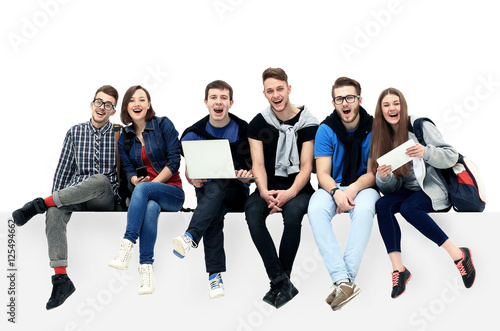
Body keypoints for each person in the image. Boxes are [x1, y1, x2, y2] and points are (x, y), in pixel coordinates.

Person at [11, 85, 121, 310]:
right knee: (54, 210)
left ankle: (38, 204)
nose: (102, 107)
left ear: (113, 111)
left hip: (104, 197)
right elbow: (63, 170)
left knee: (100, 180)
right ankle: (61, 279)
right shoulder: (74, 132)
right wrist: (57, 198)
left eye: (108, 104)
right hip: (75, 194)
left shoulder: (121, 133)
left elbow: (127, 169)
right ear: (92, 104)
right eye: (99, 102)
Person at [369, 87, 476, 299]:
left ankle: (458, 254)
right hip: (407, 191)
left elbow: (451, 156)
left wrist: (426, 152)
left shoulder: (419, 125)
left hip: (432, 190)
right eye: (387, 105)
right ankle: (399, 269)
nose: (392, 108)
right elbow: (389, 189)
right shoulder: (381, 137)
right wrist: (383, 176)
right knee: (382, 205)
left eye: (396, 103)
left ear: (403, 106)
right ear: (381, 111)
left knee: (409, 208)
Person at [244, 68, 319, 309]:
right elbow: (257, 164)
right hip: (268, 186)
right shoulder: (258, 123)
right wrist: (264, 191)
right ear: (264, 93)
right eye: (270, 91)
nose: (275, 95)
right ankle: (279, 280)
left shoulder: (308, 122)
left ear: (288, 88)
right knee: (253, 213)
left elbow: (307, 166)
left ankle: (280, 280)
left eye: (279, 89)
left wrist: (290, 194)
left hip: (298, 187)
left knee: (293, 214)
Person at [171, 80, 253, 299]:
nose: (219, 102)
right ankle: (215, 277)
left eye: (224, 98)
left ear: (231, 103)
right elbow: (189, 173)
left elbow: (255, 170)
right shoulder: (192, 133)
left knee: (219, 184)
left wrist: (247, 177)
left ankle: (190, 237)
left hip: (237, 193)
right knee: (214, 214)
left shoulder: (244, 129)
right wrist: (192, 179)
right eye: (214, 97)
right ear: (206, 102)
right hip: (208, 196)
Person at [307, 77, 380, 311]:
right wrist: (337, 192)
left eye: (350, 97)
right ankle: (343, 281)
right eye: (339, 99)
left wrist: (352, 189)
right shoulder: (325, 130)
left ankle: (343, 281)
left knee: (366, 209)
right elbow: (323, 174)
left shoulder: (374, 127)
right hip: (333, 186)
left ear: (359, 99)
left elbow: (373, 173)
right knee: (315, 209)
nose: (345, 103)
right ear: (334, 102)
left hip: (364, 185)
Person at [108, 85, 184, 295]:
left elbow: (174, 161)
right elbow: (128, 168)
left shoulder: (163, 125)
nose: (137, 104)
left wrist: (153, 184)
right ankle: (146, 269)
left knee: (144, 191)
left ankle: (127, 244)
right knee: (150, 206)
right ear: (126, 106)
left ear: (149, 104)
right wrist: (134, 179)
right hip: (149, 196)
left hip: (172, 192)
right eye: (132, 100)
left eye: (142, 99)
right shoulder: (125, 136)